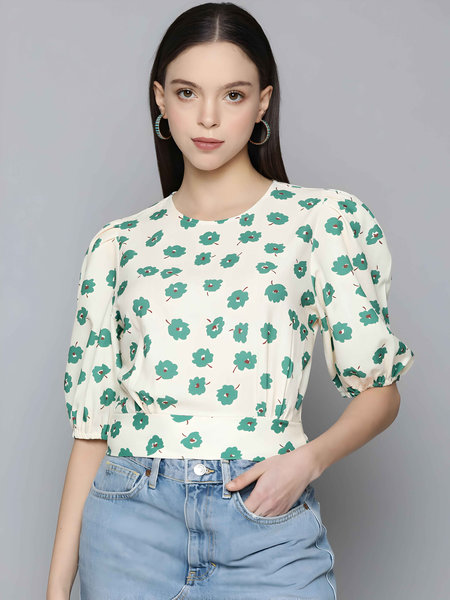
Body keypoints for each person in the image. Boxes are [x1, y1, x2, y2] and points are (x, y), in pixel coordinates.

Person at [47, 3, 415, 599]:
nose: (209, 117)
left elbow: (381, 390)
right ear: (160, 100)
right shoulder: (118, 245)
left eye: (234, 95)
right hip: (130, 525)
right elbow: (91, 432)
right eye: (187, 92)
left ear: (263, 103)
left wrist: (307, 461)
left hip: (265, 524)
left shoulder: (320, 221)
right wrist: (55, 590)